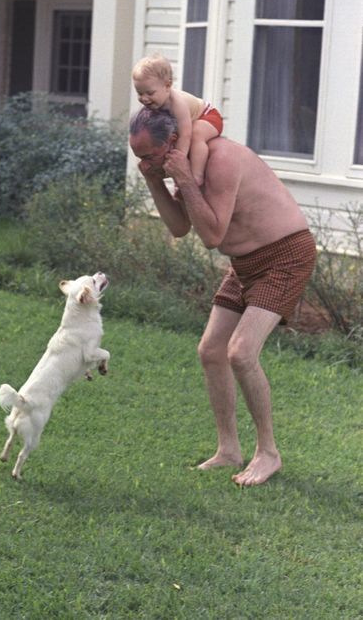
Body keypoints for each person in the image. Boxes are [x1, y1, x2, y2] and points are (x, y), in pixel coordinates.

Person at [129, 107, 317, 487]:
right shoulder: (187, 167)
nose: (146, 163)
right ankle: (228, 449)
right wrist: (155, 181)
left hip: (285, 256)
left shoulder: (223, 160)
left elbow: (211, 237)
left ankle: (268, 454)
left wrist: (182, 176)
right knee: (211, 350)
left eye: (149, 156)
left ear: (172, 143)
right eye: (139, 158)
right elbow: (181, 227)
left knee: (241, 353)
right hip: (245, 262)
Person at [132, 54, 222, 188]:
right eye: (140, 93)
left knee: (196, 133)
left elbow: (185, 134)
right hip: (193, 121)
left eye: (150, 93)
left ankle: (196, 176)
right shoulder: (153, 103)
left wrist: (179, 162)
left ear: (167, 86)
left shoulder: (177, 104)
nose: (144, 99)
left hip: (208, 115)